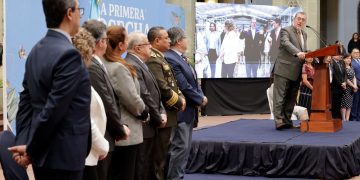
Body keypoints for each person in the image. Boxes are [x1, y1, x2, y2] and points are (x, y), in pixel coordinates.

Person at [9, 0, 91, 179]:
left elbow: (26, 101)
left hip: (43, 157)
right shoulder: (69, 55)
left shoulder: (35, 51)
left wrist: (25, 142)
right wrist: (30, 149)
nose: (80, 15)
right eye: (79, 10)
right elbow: (54, 109)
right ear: (69, 13)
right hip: (64, 156)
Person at [82, 19, 130, 180]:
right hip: (98, 139)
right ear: (100, 42)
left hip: (103, 136)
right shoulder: (92, 66)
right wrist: (120, 129)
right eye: (105, 40)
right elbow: (106, 102)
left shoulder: (98, 63)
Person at [103, 25, 148, 180]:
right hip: (127, 133)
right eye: (126, 38)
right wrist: (145, 113)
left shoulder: (105, 63)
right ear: (121, 45)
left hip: (118, 131)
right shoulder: (118, 67)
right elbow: (131, 98)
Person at [165, 27, 208, 180]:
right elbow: (183, 85)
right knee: (180, 147)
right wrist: (200, 99)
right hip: (180, 112)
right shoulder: (170, 57)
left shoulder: (181, 57)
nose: (188, 41)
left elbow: (193, 82)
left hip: (188, 110)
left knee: (184, 147)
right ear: (178, 41)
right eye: (186, 38)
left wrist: (200, 95)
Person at [146, 26, 185, 180]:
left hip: (169, 114)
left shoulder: (160, 57)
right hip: (164, 114)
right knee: (158, 158)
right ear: (156, 40)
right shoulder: (153, 59)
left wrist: (181, 97)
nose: (170, 40)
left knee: (164, 156)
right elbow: (162, 88)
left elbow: (172, 83)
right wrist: (178, 102)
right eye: (166, 38)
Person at [125, 32, 165, 180]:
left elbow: (155, 92)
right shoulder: (132, 64)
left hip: (150, 124)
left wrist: (162, 111)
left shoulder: (141, 63)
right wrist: (157, 117)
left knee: (147, 165)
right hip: (144, 125)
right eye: (148, 45)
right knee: (141, 167)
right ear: (138, 48)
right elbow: (144, 95)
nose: (150, 48)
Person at [72, 28, 110, 180]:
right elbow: (85, 120)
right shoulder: (76, 77)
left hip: (87, 153)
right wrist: (102, 146)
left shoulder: (78, 74)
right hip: (84, 154)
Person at [272, 12, 307, 130]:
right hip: (283, 69)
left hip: (296, 71)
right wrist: (298, 53)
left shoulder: (304, 34)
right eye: (298, 19)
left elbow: (304, 50)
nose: (300, 21)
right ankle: (278, 121)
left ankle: (287, 121)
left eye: (303, 19)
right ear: (294, 19)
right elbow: (285, 43)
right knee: (280, 97)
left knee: (291, 98)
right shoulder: (285, 30)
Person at [341, 54, 358, 121]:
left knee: (349, 104)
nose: (349, 60)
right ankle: (344, 119)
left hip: (351, 88)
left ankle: (347, 119)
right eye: (347, 58)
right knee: (344, 104)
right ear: (344, 59)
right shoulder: (342, 68)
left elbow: (354, 77)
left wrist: (355, 86)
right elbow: (346, 79)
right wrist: (353, 86)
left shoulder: (351, 67)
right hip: (345, 87)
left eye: (350, 58)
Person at [331, 55, 346, 119]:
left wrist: (345, 82)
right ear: (333, 56)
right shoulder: (332, 63)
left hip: (342, 86)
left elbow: (345, 73)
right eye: (337, 54)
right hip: (335, 86)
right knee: (335, 103)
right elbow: (334, 75)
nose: (339, 56)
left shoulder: (341, 62)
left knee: (339, 103)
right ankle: (334, 117)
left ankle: (337, 117)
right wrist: (341, 83)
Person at [350, 48, 360, 121]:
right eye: (355, 53)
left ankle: (358, 117)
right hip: (356, 85)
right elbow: (352, 75)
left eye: (358, 52)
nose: (357, 54)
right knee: (355, 102)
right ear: (352, 54)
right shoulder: (351, 62)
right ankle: (353, 117)